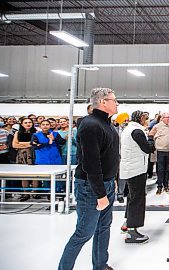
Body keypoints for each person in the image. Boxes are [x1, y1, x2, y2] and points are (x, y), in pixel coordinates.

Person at [59, 88, 119, 270]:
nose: (117, 104)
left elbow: (109, 155)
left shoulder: (108, 124)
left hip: (106, 183)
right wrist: (101, 193)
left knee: (103, 228)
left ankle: (100, 265)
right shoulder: (90, 124)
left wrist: (112, 180)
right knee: (84, 232)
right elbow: (91, 163)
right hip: (91, 187)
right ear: (102, 102)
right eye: (114, 100)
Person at [120, 110, 155, 244]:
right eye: (146, 118)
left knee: (132, 197)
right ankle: (132, 232)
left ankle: (127, 222)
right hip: (136, 169)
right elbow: (147, 148)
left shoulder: (128, 130)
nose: (147, 121)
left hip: (130, 168)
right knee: (137, 199)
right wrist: (151, 137)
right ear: (141, 118)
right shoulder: (137, 131)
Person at [149, 112, 169, 195]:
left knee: (167, 170)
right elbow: (150, 135)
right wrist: (154, 139)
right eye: (167, 117)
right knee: (160, 169)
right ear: (162, 118)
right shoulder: (157, 126)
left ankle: (166, 185)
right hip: (160, 150)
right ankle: (159, 186)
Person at [13, 118, 37, 201]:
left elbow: (36, 144)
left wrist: (21, 143)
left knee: (36, 174)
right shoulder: (17, 132)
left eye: (30, 122)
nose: (28, 124)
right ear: (22, 124)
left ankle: (35, 193)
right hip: (22, 155)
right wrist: (29, 144)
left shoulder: (36, 132)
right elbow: (14, 145)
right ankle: (25, 193)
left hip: (34, 154)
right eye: (26, 122)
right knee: (24, 175)